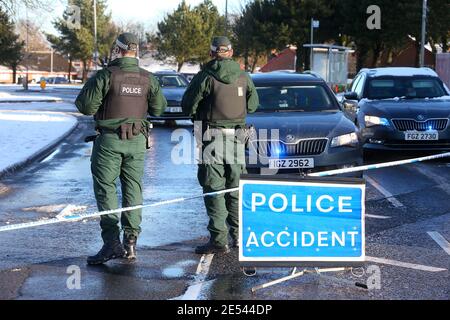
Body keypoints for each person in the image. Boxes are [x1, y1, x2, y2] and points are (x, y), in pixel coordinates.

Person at [75, 33, 167, 265]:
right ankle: (131, 242)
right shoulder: (148, 78)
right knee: (133, 188)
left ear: (117, 49)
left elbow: (85, 106)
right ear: (136, 51)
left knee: (106, 190)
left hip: (109, 141)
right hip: (137, 140)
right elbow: (159, 108)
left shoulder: (106, 75)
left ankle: (111, 243)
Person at [181, 36, 259, 254]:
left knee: (214, 188)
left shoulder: (205, 77)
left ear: (212, 53)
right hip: (237, 140)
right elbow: (253, 105)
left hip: (211, 139)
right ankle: (240, 237)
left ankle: (219, 239)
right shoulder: (244, 77)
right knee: (235, 188)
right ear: (231, 52)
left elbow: (187, 105)